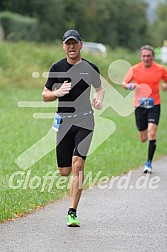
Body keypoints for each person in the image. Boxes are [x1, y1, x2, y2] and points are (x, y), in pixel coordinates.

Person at [42, 29, 105, 227]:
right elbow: (44, 95)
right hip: (64, 122)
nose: (71, 47)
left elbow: (100, 88)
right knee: (64, 171)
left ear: (80, 45)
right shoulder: (57, 67)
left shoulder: (90, 67)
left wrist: (98, 98)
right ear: (63, 46)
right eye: (67, 43)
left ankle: (72, 212)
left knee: (78, 164)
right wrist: (57, 92)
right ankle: (71, 197)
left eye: (74, 43)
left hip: (85, 120)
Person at [122, 45, 167, 173]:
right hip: (140, 106)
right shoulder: (134, 69)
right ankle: (144, 133)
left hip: (154, 105)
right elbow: (124, 83)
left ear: (153, 56)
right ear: (141, 56)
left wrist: (165, 85)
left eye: (148, 56)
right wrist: (131, 86)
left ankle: (148, 163)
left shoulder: (160, 69)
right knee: (143, 138)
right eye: (144, 56)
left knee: (152, 133)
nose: (146, 58)